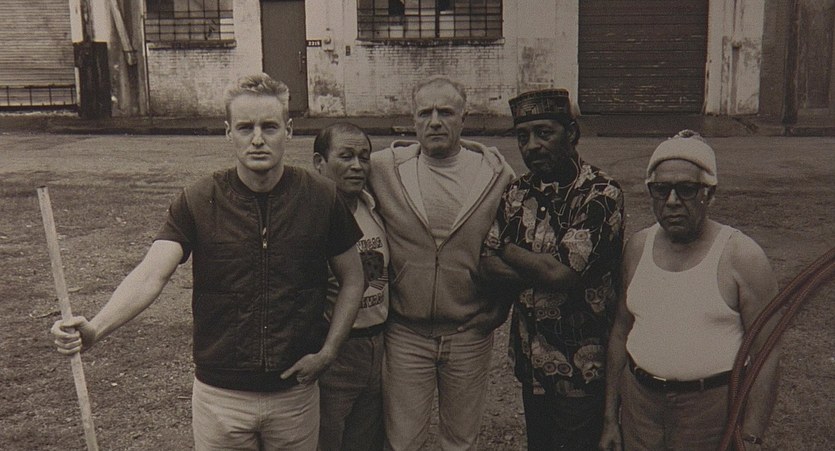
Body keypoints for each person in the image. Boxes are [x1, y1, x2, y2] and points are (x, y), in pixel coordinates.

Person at [50, 73, 366, 451]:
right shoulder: (199, 199)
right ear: (228, 132)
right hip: (220, 399)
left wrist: (328, 352)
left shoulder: (321, 198)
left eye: (269, 126)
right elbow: (152, 274)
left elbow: (353, 279)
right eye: (245, 127)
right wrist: (95, 329)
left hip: (294, 396)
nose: (258, 139)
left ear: (289, 130)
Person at [599, 130, 780, 451]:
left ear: (710, 193)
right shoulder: (637, 248)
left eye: (686, 189)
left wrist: (751, 436)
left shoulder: (741, 256)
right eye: (660, 190)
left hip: (711, 412)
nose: (672, 201)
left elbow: (767, 352)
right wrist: (611, 419)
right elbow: (620, 333)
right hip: (641, 409)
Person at [367, 75, 515, 450]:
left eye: (445, 112)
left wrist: (500, 308)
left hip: (468, 332)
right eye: (425, 113)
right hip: (405, 332)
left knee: (461, 440)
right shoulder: (382, 169)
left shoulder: (497, 176)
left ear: (464, 118)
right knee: (403, 441)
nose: (435, 121)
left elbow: (513, 246)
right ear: (413, 120)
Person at [479, 88, 625, 450]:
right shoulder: (517, 192)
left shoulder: (600, 194)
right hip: (532, 365)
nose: (532, 145)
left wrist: (508, 249)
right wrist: (540, 268)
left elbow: (562, 275)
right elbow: (485, 264)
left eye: (544, 133)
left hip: (582, 369)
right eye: (523, 136)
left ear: (571, 133)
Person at [312, 122, 388, 451]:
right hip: (336, 350)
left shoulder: (373, 206)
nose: (357, 166)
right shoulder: (311, 215)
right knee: (327, 440)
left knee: (367, 439)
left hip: (379, 344)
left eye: (364, 157)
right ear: (320, 163)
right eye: (345, 156)